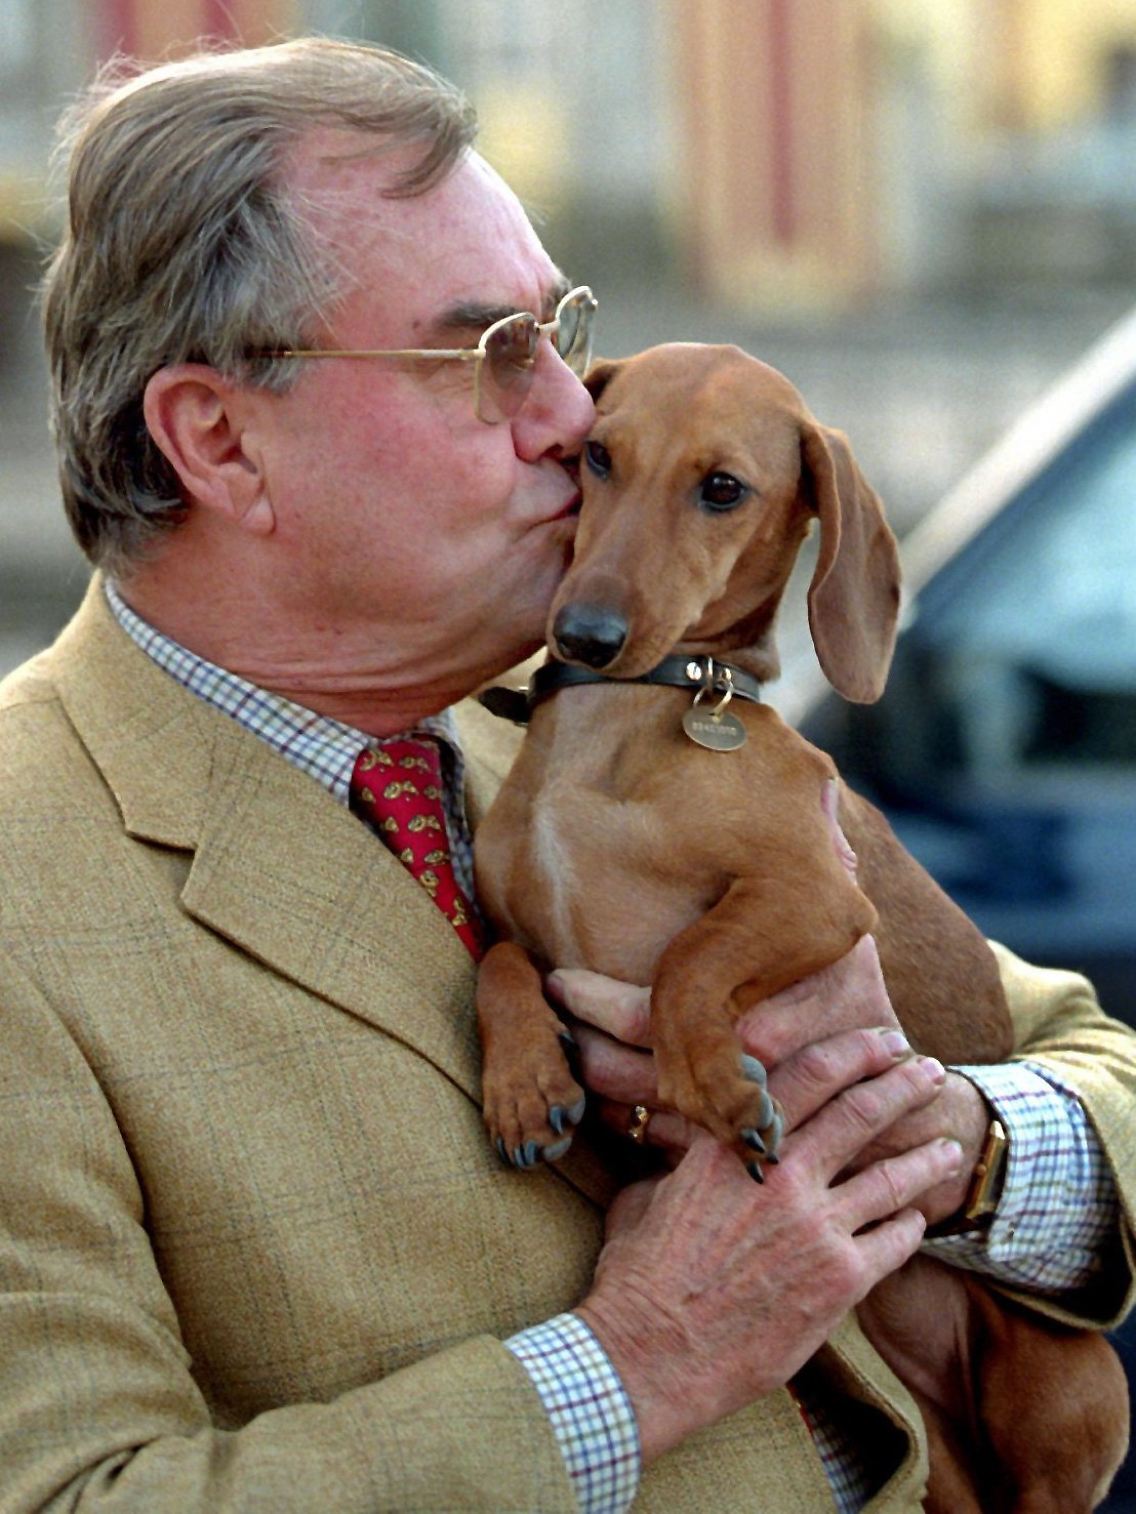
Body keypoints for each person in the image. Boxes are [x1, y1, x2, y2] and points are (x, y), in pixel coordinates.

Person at [0, 35, 1132, 1511]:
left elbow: (1087, 1057)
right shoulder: (29, 883)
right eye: (490, 354)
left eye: (559, 327)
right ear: (221, 440)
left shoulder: (603, 708)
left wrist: (958, 1145)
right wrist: (633, 1363)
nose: (571, 415)